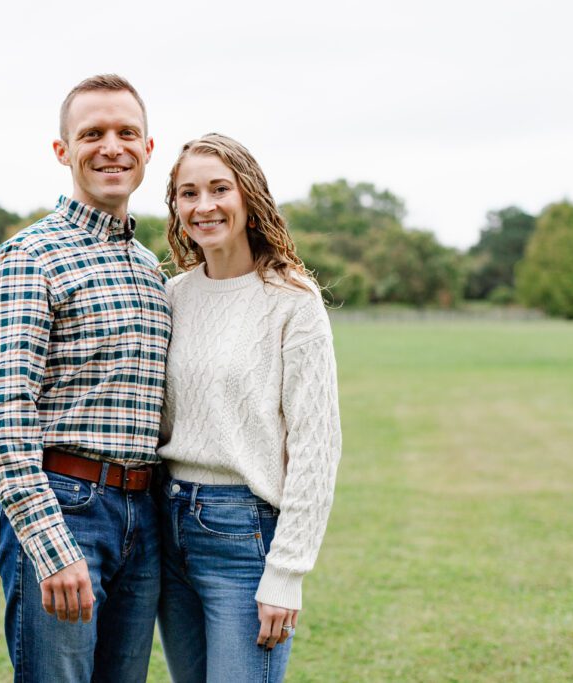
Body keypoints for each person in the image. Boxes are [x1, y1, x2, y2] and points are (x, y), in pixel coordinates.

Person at [0, 74, 170, 683]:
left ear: (147, 149)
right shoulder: (30, 256)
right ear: (63, 151)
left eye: (126, 132)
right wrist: (51, 548)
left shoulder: (149, 267)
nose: (111, 146)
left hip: (142, 517)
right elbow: (8, 416)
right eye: (92, 133)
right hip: (65, 507)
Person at [156, 133, 342, 682]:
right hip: (167, 528)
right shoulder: (172, 296)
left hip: (244, 535)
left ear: (249, 198)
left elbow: (316, 446)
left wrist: (286, 572)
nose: (204, 205)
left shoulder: (293, 302)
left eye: (219, 189)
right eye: (188, 193)